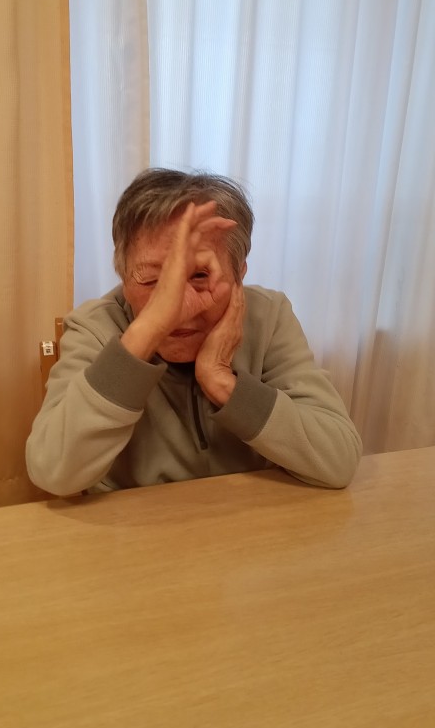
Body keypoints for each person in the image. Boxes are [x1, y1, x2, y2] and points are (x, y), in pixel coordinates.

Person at [26, 168, 362, 495]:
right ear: (123, 278)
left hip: (252, 521)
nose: (179, 306)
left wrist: (222, 381)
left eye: (200, 276)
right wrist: (147, 332)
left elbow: (338, 460)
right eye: (153, 281)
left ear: (239, 274)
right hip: (133, 528)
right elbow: (53, 471)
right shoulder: (94, 327)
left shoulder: (268, 315)